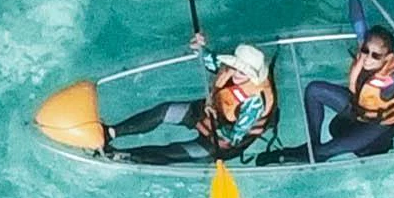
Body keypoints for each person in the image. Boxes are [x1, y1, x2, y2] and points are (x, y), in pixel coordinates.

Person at [303, 0, 394, 161]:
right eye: (366, 51)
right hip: (357, 108)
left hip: (377, 124)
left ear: (387, 58)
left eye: (375, 56)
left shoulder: (391, 79)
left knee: (323, 152)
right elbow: (357, 21)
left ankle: (313, 154)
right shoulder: (365, 51)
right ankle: (312, 143)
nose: (367, 58)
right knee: (313, 90)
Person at [108, 44, 276, 165]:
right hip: (204, 113)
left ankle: (122, 155)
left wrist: (214, 120)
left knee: (171, 152)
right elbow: (213, 63)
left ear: (251, 75)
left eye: (243, 71)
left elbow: (235, 137)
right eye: (237, 67)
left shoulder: (254, 103)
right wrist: (200, 47)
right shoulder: (232, 70)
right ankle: (111, 132)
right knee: (164, 111)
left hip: (221, 143)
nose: (237, 73)